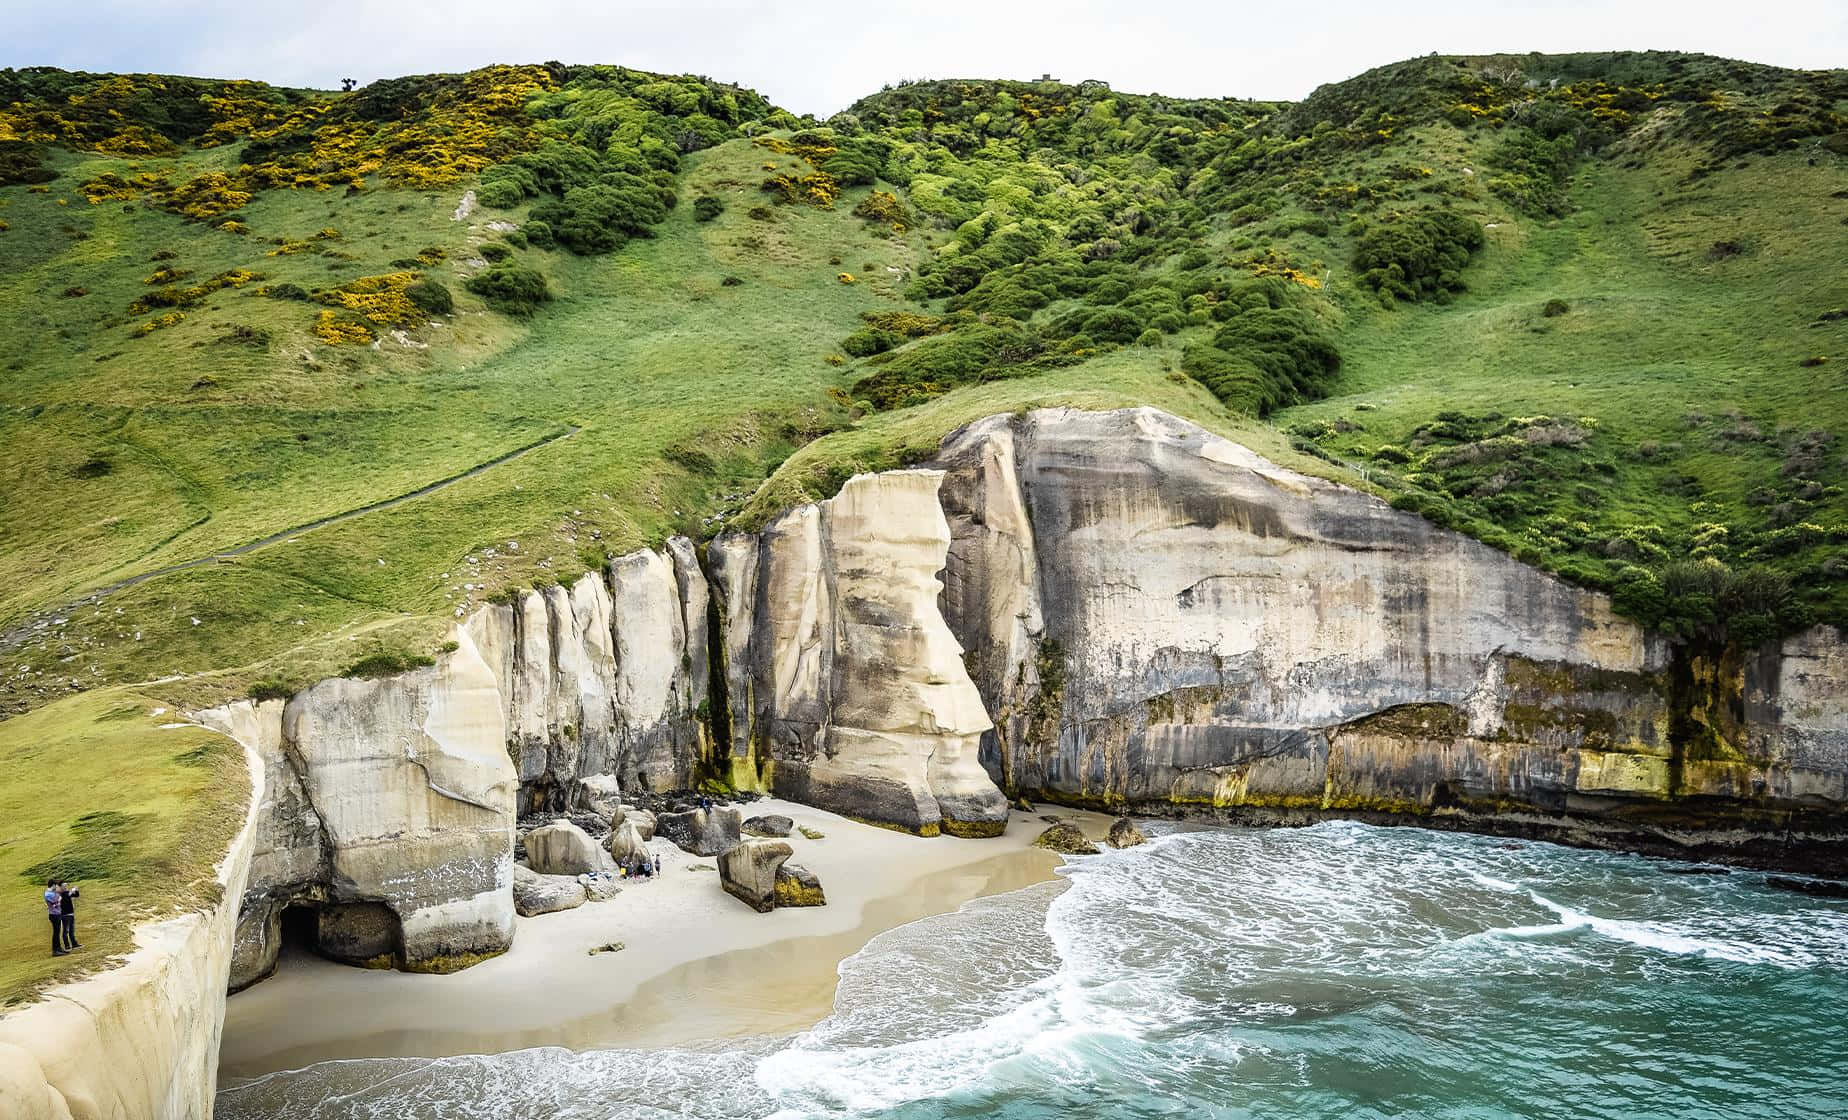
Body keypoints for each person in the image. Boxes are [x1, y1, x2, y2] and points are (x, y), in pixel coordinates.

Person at [44, 879, 66, 957]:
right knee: (56, 933)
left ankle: (59, 948)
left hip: (57, 914)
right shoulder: (48, 894)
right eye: (55, 885)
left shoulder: (52, 893)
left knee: (58, 932)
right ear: (53, 885)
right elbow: (57, 900)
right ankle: (55, 950)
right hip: (54, 915)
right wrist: (59, 896)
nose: (56, 887)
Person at [57, 879, 80, 951]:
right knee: (66, 931)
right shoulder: (59, 894)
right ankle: (67, 946)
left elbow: (76, 895)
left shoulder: (67, 892)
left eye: (66, 886)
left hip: (71, 914)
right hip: (65, 915)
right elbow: (66, 896)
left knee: (71, 930)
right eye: (64, 886)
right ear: (60, 887)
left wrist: (76, 890)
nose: (66, 887)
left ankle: (74, 944)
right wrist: (71, 891)